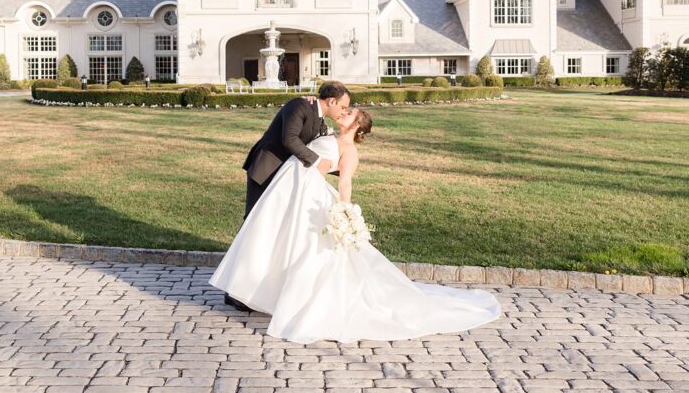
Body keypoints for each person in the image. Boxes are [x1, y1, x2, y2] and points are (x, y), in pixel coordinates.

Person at [211, 106, 501, 344]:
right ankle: (266, 293)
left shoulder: (349, 151)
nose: (345, 113)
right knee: (282, 244)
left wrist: (344, 211)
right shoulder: (329, 134)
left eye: (350, 114)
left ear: (357, 127)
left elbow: (345, 180)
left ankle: (301, 306)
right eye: (346, 109)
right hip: (295, 193)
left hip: (311, 198)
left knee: (308, 252)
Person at [225, 81, 351, 311]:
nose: (344, 112)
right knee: (252, 225)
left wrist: (344, 167)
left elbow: (318, 150)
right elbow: (289, 139)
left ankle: (253, 288)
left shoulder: (318, 119)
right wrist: (315, 161)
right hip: (266, 170)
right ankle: (234, 291)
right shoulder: (299, 106)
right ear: (331, 101)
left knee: (268, 230)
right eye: (343, 107)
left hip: (285, 179)